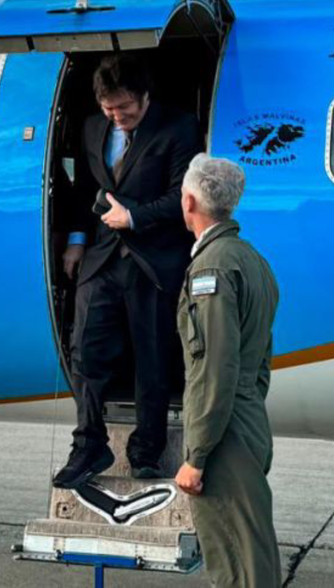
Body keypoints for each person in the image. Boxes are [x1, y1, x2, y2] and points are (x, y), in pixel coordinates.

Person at [54, 54, 203, 488]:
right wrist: (77, 241)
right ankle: (89, 444)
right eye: (109, 109)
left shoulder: (178, 128)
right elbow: (85, 188)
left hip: (153, 261)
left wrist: (132, 218)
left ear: (145, 96)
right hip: (100, 257)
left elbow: (182, 196)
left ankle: (146, 451)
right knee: (85, 351)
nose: (118, 117)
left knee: (152, 360)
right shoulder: (91, 127)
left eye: (126, 109)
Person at [174, 154, 281, 588]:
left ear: (189, 202)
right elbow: (261, 361)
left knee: (236, 561)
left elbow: (215, 366)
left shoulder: (213, 267)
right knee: (251, 549)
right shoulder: (252, 260)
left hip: (222, 431)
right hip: (246, 419)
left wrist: (196, 455)